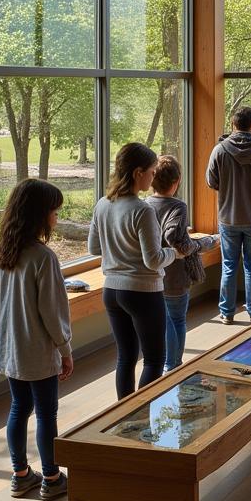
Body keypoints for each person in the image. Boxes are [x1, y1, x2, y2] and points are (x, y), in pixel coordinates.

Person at [0, 179, 73, 501]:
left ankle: (20, 474)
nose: (56, 217)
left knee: (18, 408)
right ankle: (52, 478)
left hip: (11, 350)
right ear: (40, 214)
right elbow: (53, 314)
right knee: (46, 413)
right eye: (54, 211)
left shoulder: (4, 253)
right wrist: (66, 350)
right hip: (38, 353)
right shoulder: (43, 258)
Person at [88, 142, 175, 399]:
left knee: (125, 358)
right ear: (138, 172)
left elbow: (94, 247)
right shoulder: (142, 210)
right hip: (142, 292)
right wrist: (177, 253)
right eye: (151, 171)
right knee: (154, 361)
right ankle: (140, 420)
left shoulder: (103, 204)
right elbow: (154, 260)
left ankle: (122, 419)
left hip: (112, 291)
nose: (154, 176)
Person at [207, 106, 251, 325]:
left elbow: (211, 181)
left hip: (228, 218)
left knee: (229, 265)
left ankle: (226, 312)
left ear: (232, 124)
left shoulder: (220, 150)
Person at [146, 155, 218, 371]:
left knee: (162, 321)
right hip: (175, 273)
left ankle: (166, 363)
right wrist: (207, 242)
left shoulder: (144, 204)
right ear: (177, 181)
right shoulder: (178, 206)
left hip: (151, 272)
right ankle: (174, 365)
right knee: (176, 320)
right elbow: (180, 243)